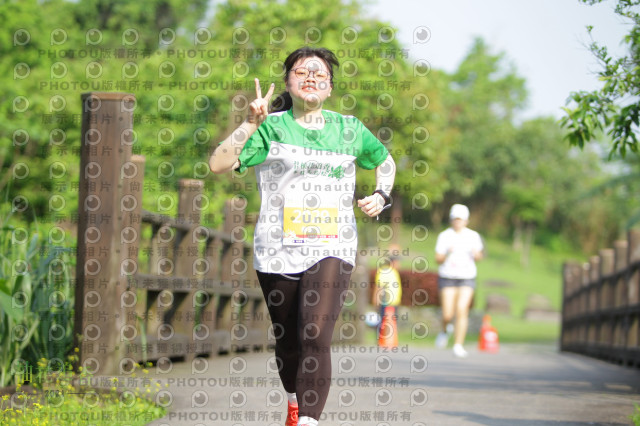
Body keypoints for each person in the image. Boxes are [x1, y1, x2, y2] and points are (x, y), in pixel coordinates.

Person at [209, 46, 396, 426]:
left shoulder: (349, 129)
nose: (311, 77)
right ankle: (295, 401)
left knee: (314, 333)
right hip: (277, 248)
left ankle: (310, 421)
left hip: (333, 245)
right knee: (289, 341)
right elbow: (218, 163)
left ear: (329, 88)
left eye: (320, 75)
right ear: (288, 82)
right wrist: (250, 123)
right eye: (301, 72)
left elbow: (385, 161)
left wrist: (381, 194)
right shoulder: (271, 126)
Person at [434, 204, 483, 358]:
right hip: (448, 276)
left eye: (461, 219)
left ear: (466, 221)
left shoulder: (473, 236)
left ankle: (458, 344)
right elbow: (438, 259)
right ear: (451, 220)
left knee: (462, 310)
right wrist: (447, 252)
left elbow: (479, 256)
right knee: (448, 314)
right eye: (455, 219)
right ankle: (444, 330)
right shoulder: (445, 236)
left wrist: (476, 254)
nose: (458, 222)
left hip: (466, 277)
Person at [373, 255, 402, 342]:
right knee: (383, 322)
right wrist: (376, 300)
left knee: (391, 322)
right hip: (386, 302)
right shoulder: (385, 271)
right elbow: (379, 287)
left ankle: (389, 340)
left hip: (394, 302)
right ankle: (381, 340)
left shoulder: (395, 272)